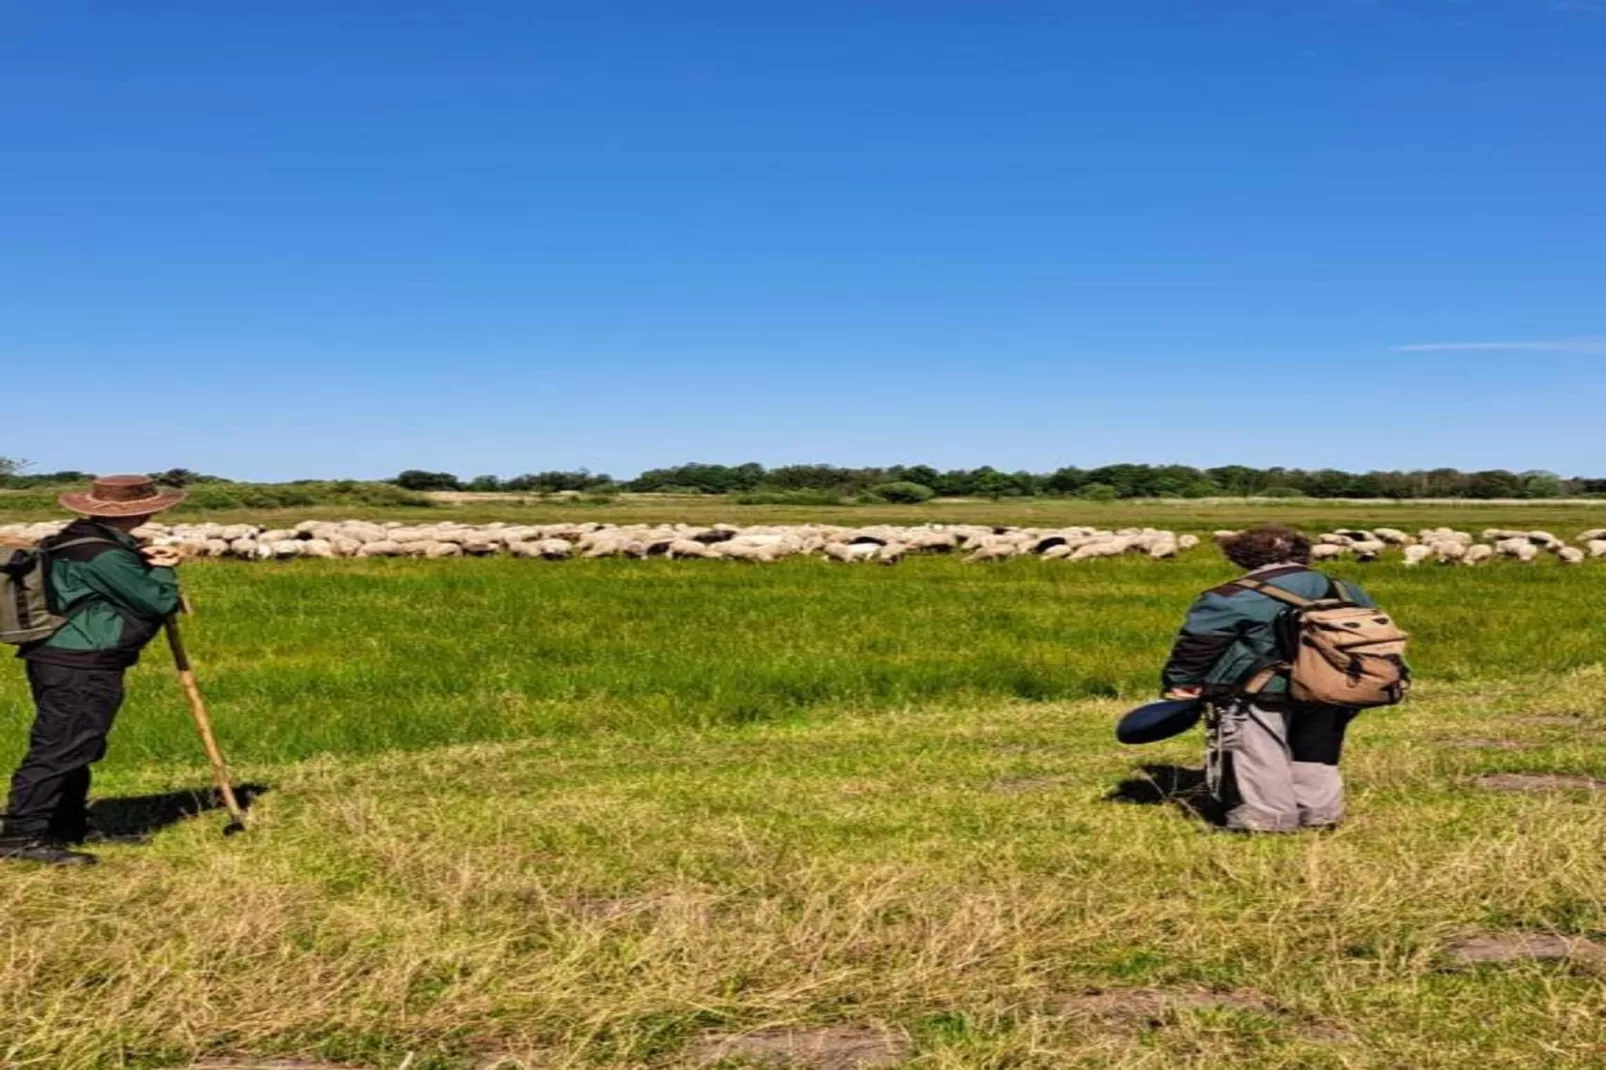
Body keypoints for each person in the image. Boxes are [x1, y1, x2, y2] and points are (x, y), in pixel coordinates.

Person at [0, 475, 186, 865]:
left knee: (78, 743)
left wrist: (141, 556)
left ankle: (66, 825)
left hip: (63, 656)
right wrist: (166, 569)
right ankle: (20, 836)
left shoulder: (77, 539)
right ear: (144, 509)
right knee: (61, 745)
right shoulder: (103, 554)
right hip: (80, 662)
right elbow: (156, 601)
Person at [1159, 524, 1378, 833]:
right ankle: (1320, 815)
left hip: (1260, 687)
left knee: (1260, 752)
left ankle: (1267, 822)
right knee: (1318, 750)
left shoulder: (1230, 596)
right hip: (1334, 684)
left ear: (1243, 557)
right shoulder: (1346, 589)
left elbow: (1198, 644)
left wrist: (1180, 682)